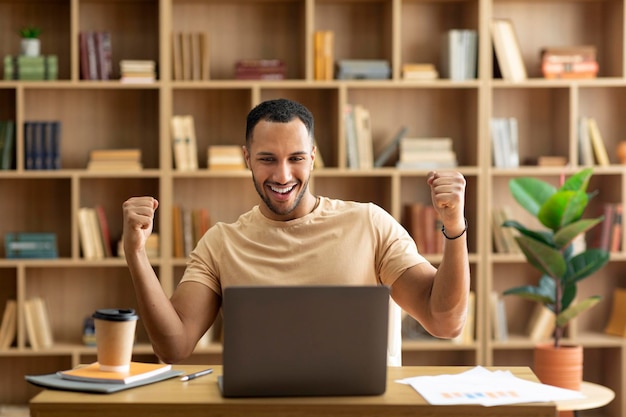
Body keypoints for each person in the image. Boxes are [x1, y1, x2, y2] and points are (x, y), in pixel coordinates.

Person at [123, 98, 470, 365]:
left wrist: (454, 228)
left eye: (296, 158)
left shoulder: (370, 224)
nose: (283, 175)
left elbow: (445, 322)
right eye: (267, 159)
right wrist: (136, 255)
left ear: (313, 157)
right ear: (247, 158)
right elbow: (173, 347)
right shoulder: (221, 243)